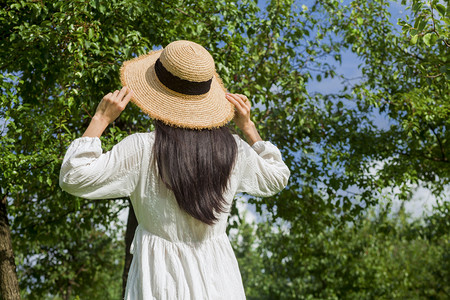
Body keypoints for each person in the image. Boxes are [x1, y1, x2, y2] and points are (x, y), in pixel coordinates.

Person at [59, 40, 290, 299]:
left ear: (156, 93)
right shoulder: (233, 150)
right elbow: (276, 177)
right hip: (220, 281)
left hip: (159, 282)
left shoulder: (142, 149)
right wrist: (248, 128)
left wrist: (100, 118)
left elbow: (73, 176)